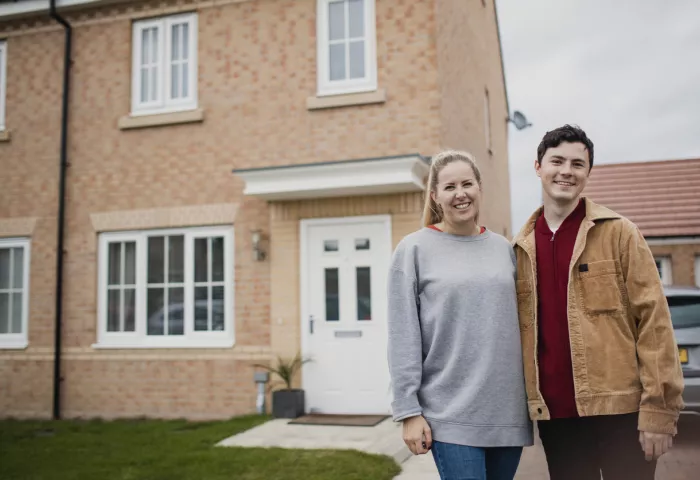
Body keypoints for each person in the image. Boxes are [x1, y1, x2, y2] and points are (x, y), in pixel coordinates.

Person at [512, 124, 685, 480]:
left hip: (622, 413)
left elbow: (654, 323)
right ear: (538, 167)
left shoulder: (620, 233)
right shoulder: (520, 248)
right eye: (556, 161)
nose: (566, 171)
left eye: (578, 164)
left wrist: (659, 412)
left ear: (588, 172)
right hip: (558, 420)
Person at [387, 150, 533, 480]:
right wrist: (408, 411)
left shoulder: (504, 250)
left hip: (506, 412)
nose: (460, 193)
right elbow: (402, 336)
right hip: (449, 413)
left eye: (467, 183)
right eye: (450, 186)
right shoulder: (413, 250)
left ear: (480, 188)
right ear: (435, 195)